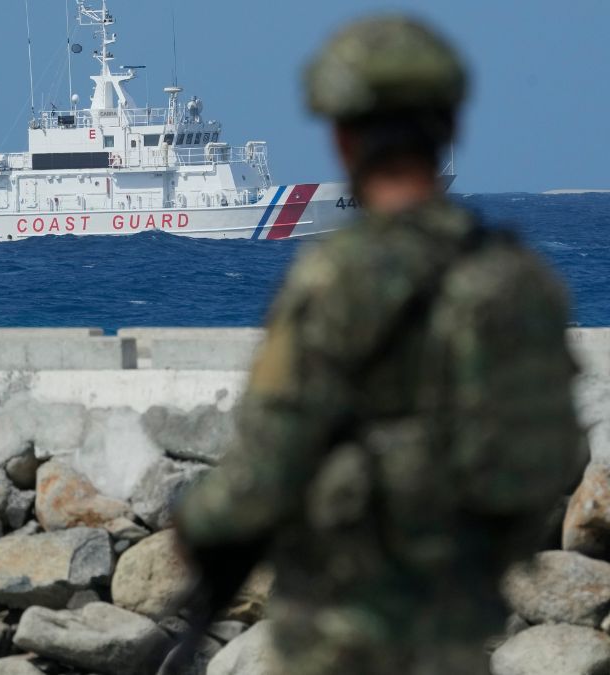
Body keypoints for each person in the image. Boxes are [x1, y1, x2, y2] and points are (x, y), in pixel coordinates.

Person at [176, 15, 583, 675]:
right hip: (460, 630)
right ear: (450, 126)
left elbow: (266, 463)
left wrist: (195, 523)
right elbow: (551, 455)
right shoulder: (525, 280)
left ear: (342, 137)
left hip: (339, 640)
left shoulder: (334, 277)